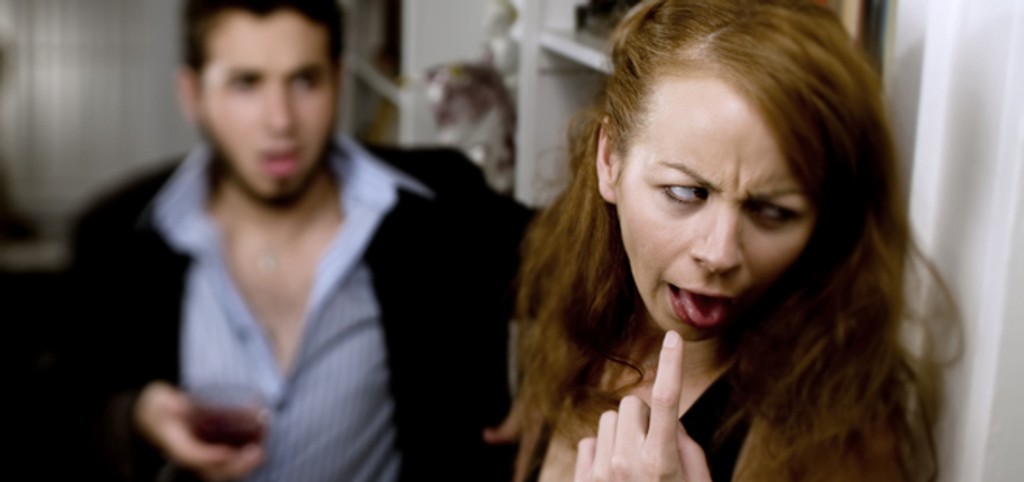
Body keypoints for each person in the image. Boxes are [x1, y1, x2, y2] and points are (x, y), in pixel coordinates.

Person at [60, 0, 530, 481]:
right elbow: (64, 406)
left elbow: (573, 263)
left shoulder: (440, 202)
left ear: (338, 80)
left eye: (305, 81)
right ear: (192, 93)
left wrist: (559, 383)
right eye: (246, 83)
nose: (280, 121)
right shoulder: (118, 234)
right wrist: (134, 416)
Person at [511, 0, 947, 481]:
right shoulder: (582, 309)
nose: (719, 254)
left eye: (773, 213)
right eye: (685, 193)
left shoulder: (837, 433)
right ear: (609, 160)